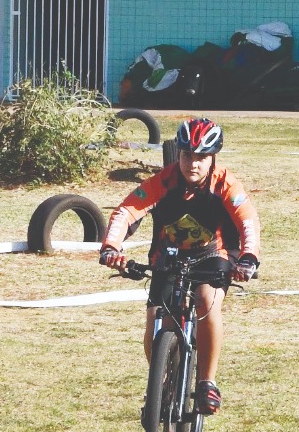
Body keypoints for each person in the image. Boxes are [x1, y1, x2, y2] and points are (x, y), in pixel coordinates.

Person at [99, 117, 261, 416]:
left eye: (201, 157)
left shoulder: (225, 184)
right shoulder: (164, 181)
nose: (193, 164)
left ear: (213, 158)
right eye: (187, 155)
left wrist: (249, 258)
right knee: (155, 318)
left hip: (214, 253)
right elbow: (126, 211)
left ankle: (207, 382)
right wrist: (111, 247)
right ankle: (159, 383)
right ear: (179, 154)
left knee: (206, 300)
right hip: (169, 255)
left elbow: (247, 220)